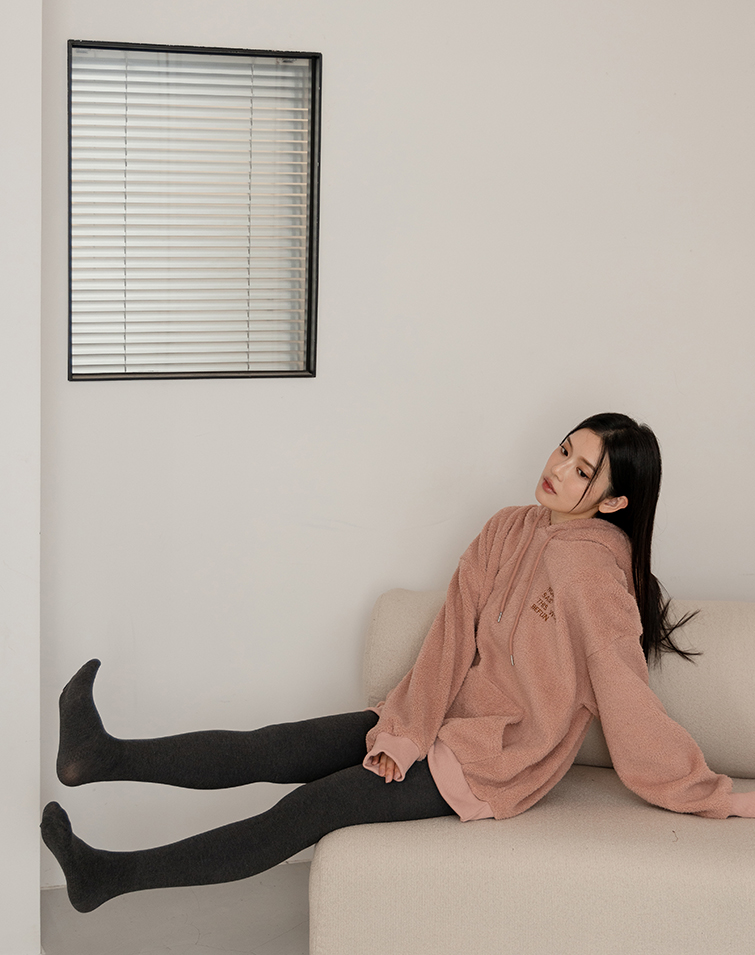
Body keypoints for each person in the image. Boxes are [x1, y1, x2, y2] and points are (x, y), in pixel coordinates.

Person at [41, 412, 755, 914]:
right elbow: (450, 636)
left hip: (489, 761)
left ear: (615, 500)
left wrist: (714, 794)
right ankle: (99, 756)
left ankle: (110, 876)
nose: (557, 469)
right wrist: (406, 730)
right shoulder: (508, 527)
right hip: (430, 721)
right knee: (275, 745)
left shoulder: (596, 578)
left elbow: (629, 702)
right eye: (564, 449)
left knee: (307, 809)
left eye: (582, 470)